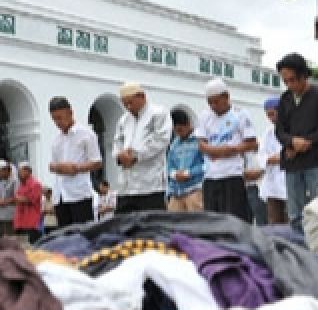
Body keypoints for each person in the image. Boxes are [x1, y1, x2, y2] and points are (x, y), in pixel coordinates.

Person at [274, 52, 318, 227]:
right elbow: (279, 131)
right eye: (285, 81)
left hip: (314, 160)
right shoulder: (285, 99)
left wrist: (308, 142)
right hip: (292, 162)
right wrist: (291, 142)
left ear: (303, 75)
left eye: (292, 80)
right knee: (294, 213)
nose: (289, 85)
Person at [196, 78, 257, 222]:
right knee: (212, 221)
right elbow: (201, 144)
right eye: (209, 102)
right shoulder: (205, 116)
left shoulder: (241, 114)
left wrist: (231, 149)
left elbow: (251, 143)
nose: (213, 106)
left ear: (226, 97)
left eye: (216, 102)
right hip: (210, 176)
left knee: (233, 219)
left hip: (232, 175)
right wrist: (219, 151)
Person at [112, 83, 172, 213]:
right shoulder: (124, 120)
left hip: (150, 186)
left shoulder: (158, 113)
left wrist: (135, 155)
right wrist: (120, 156)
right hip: (125, 187)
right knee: (123, 229)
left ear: (142, 97)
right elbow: (117, 142)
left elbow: (161, 140)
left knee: (151, 229)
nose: (128, 107)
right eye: (125, 104)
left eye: (130, 103)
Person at [47, 96, 103, 227]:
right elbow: (52, 164)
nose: (57, 122)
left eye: (60, 117)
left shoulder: (86, 134)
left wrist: (76, 168)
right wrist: (56, 167)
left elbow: (97, 162)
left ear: (70, 113)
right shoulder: (56, 139)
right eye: (54, 119)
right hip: (60, 195)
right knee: (65, 236)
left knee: (83, 235)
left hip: (79, 194)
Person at [166, 109, 205, 212]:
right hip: (176, 191)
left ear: (188, 124)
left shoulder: (200, 140)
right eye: (175, 131)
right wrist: (175, 174)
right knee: (172, 224)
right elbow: (169, 166)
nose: (179, 134)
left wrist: (189, 173)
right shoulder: (174, 144)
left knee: (196, 224)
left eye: (180, 130)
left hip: (195, 190)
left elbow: (206, 164)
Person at [259, 98, 288, 225]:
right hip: (271, 187)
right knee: (274, 223)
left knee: (290, 221)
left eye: (273, 114)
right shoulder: (267, 133)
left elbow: (291, 154)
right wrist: (279, 157)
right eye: (268, 115)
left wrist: (275, 158)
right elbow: (262, 158)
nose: (270, 118)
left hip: (288, 184)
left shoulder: (292, 129)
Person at [13, 162, 44, 245]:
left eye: (21, 171)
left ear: (28, 171)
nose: (19, 174)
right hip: (20, 221)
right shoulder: (21, 185)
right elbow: (16, 199)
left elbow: (31, 199)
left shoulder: (35, 184)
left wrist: (19, 198)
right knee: (21, 247)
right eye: (19, 171)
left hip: (32, 222)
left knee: (34, 247)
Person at [0, 160, 19, 238]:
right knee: (2, 240)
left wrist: (4, 202)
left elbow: (17, 197)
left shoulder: (15, 181)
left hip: (10, 216)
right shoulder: (1, 182)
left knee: (10, 240)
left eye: (0, 172)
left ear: (6, 170)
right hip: (1, 216)